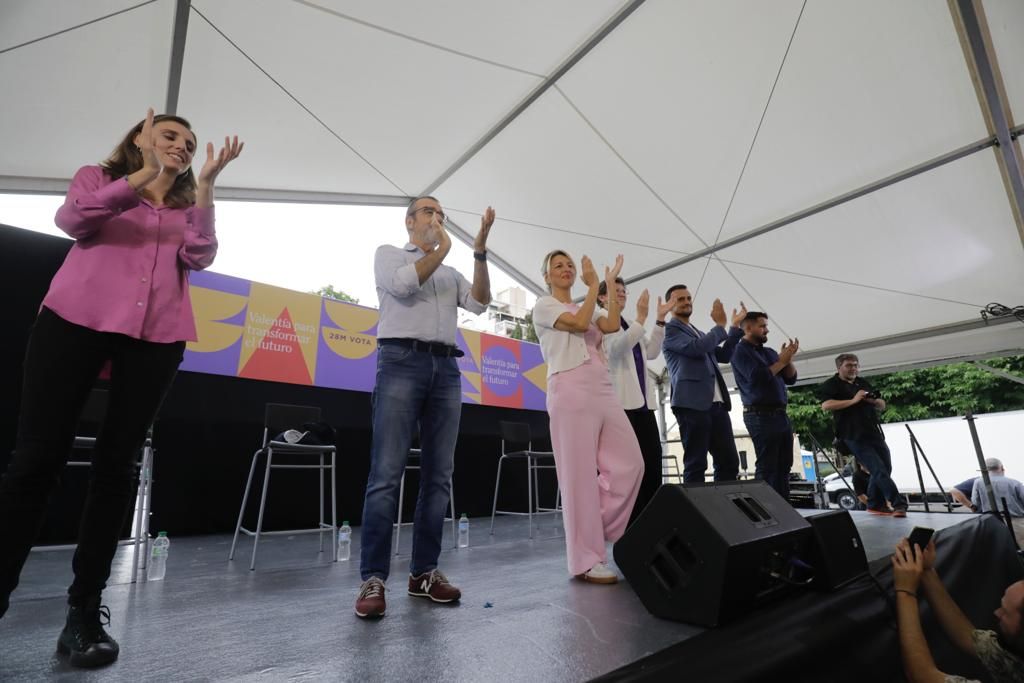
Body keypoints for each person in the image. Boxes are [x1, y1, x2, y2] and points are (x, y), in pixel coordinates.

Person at [0, 109, 242, 667]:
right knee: (35, 461)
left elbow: (199, 256)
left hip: (156, 337)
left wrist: (204, 187)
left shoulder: (186, 207)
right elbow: (73, 220)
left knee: (118, 469)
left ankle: (83, 614)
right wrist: (140, 178)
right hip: (72, 322)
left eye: (189, 142)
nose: (181, 145)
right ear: (141, 137)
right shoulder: (97, 179)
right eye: (169, 135)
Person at [355, 196, 494, 619]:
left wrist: (480, 252)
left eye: (442, 214)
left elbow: (481, 302)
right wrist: (443, 249)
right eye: (430, 212)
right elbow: (403, 286)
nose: (437, 218)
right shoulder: (389, 255)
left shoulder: (451, 272)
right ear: (410, 220)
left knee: (439, 477)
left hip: (446, 368)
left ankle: (424, 573)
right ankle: (374, 577)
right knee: (386, 474)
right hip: (400, 362)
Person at [533, 251, 644, 584]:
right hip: (568, 388)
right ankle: (586, 559)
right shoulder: (544, 305)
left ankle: (593, 527)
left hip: (601, 386)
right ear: (547, 276)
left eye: (569, 265)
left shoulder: (589, 304)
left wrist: (607, 286)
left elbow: (609, 324)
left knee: (631, 463)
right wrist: (595, 285)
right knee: (578, 476)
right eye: (558, 266)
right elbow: (580, 324)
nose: (566, 269)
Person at [892, 537, 1024, 682]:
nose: (997, 612)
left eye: (1006, 612)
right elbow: (969, 638)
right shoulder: (1017, 650)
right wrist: (926, 570)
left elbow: (923, 677)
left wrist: (905, 591)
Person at [597, 277, 673, 524]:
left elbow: (650, 352)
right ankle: (629, 522)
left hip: (643, 404)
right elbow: (616, 350)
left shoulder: (628, 323)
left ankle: (650, 519)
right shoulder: (600, 320)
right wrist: (641, 320)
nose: (621, 294)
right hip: (620, 405)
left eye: (623, 291)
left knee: (652, 459)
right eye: (615, 291)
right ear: (601, 297)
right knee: (629, 468)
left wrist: (659, 321)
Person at [661, 284, 746, 484]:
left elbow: (723, 355)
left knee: (728, 462)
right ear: (669, 305)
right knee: (696, 463)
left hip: (717, 405)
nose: (686, 302)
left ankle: (722, 510)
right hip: (691, 405)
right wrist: (719, 326)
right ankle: (695, 513)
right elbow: (697, 349)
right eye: (680, 299)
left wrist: (733, 329)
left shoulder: (698, 332)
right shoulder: (671, 331)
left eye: (688, 298)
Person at [816, 353, 908, 517]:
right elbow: (826, 405)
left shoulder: (862, 382)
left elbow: (881, 404)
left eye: (856, 365)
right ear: (839, 367)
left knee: (885, 467)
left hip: (873, 432)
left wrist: (872, 400)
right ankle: (898, 504)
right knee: (877, 469)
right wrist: (854, 400)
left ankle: (875, 504)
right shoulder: (831, 384)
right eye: (849, 365)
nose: (853, 368)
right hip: (852, 434)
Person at [730, 312, 798, 500]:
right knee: (767, 465)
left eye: (766, 326)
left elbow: (790, 378)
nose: (766, 329)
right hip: (759, 414)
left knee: (784, 464)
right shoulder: (739, 351)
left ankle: (784, 507)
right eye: (762, 326)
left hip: (780, 414)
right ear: (748, 327)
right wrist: (781, 361)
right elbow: (757, 378)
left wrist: (788, 359)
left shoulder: (769, 352)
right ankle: (764, 508)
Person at [972, 458, 1024, 546]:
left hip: (992, 522)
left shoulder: (978, 482)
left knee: (999, 551)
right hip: (1016, 522)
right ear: (1002, 468)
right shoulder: (1014, 483)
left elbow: (975, 502)